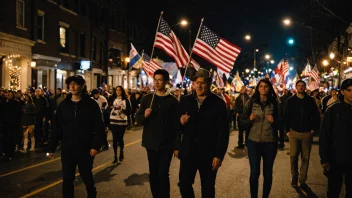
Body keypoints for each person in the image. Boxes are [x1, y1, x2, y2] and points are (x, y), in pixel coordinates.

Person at [174, 68, 229, 198]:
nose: (199, 85)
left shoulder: (218, 103)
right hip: (188, 151)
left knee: (208, 187)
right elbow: (176, 127)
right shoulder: (185, 100)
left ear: (209, 84)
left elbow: (223, 132)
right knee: (184, 184)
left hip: (208, 153)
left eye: (202, 82)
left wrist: (219, 155)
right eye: (197, 82)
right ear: (193, 84)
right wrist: (177, 144)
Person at [48, 75, 105, 198]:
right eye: (70, 84)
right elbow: (57, 128)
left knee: (86, 176)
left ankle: (92, 194)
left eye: (76, 84)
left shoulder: (91, 104)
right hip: (68, 148)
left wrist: (96, 146)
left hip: (85, 148)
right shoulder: (63, 105)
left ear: (82, 86)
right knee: (67, 179)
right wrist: (51, 147)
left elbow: (99, 127)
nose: (72, 86)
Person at [135, 69, 179, 198]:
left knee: (163, 173)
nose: (157, 82)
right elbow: (138, 119)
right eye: (155, 80)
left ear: (166, 82)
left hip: (167, 143)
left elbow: (177, 125)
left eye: (160, 80)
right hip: (151, 143)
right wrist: (144, 115)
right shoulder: (147, 99)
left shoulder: (172, 101)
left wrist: (176, 145)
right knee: (153, 173)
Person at [240, 79, 279, 198]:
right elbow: (242, 123)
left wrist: (274, 121)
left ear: (269, 88)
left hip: (270, 143)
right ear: (258, 88)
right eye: (261, 86)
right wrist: (249, 119)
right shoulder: (250, 102)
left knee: (267, 173)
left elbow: (282, 123)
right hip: (253, 142)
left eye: (266, 86)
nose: (263, 88)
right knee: (254, 172)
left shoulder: (275, 103)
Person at [285, 80, 320, 192]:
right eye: (299, 86)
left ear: (305, 88)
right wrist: (287, 131)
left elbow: (316, 115)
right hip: (294, 133)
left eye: (302, 86)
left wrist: (313, 129)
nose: (300, 87)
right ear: (296, 87)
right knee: (294, 156)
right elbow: (286, 116)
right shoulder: (290, 101)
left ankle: (302, 180)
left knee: (305, 158)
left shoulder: (310, 101)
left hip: (306, 133)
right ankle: (294, 176)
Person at [319, 78, 352, 197]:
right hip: (336, 157)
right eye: (349, 90)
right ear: (342, 92)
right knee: (334, 190)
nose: (351, 93)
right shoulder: (332, 110)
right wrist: (324, 159)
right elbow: (325, 135)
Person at [108, 86, 131, 163]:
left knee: (120, 138)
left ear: (122, 91)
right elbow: (108, 108)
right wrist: (112, 108)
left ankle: (121, 151)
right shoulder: (112, 99)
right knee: (114, 139)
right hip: (113, 120)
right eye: (117, 90)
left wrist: (121, 109)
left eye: (119, 90)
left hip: (122, 121)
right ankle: (115, 157)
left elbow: (130, 110)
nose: (118, 91)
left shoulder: (125, 100)